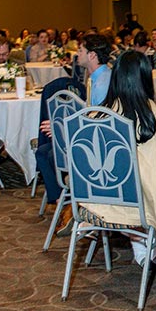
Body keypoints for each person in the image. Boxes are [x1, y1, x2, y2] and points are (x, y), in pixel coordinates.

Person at [72, 51, 156, 266]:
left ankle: (142, 245)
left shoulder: (96, 115)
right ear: (145, 78)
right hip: (146, 205)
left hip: (102, 200)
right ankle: (149, 246)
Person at [38, 33, 115, 226]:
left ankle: (64, 205)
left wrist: (61, 127)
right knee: (45, 150)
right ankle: (62, 204)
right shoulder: (98, 77)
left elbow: (99, 122)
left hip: (98, 147)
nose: (77, 54)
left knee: (45, 152)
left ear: (92, 55)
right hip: (92, 137)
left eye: (81, 50)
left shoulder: (102, 82)